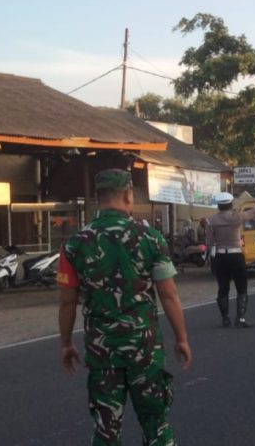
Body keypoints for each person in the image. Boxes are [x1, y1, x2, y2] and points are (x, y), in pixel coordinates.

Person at [56, 169, 191, 445]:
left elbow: (67, 301)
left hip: (102, 352)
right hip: (145, 349)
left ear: (97, 199)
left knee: (106, 431)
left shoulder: (74, 244)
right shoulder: (151, 237)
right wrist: (182, 339)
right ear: (128, 195)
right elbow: (168, 294)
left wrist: (66, 343)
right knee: (156, 424)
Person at [206, 192, 255, 328]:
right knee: (241, 287)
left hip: (220, 256)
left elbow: (209, 242)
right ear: (231, 204)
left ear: (219, 205)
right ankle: (241, 318)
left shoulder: (211, 221)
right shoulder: (237, 217)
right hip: (236, 255)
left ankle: (225, 318)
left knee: (223, 288)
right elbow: (254, 211)